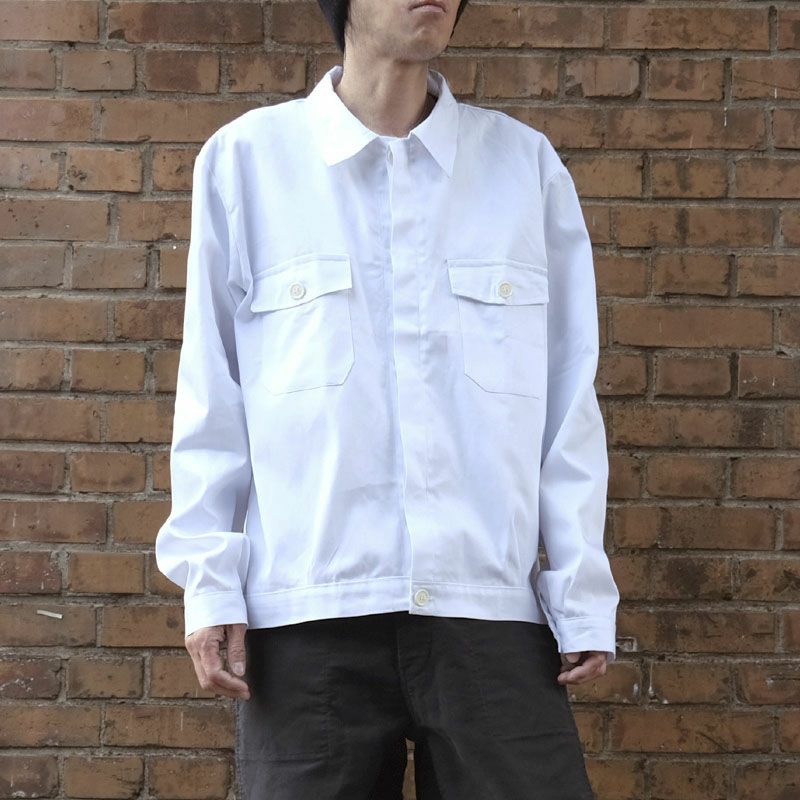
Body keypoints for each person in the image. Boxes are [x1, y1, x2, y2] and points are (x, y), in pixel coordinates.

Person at [155, 0, 620, 797]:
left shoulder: (523, 167)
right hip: (310, 611)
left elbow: (567, 394)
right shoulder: (249, 163)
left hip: (488, 605)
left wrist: (580, 588)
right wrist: (211, 582)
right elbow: (211, 395)